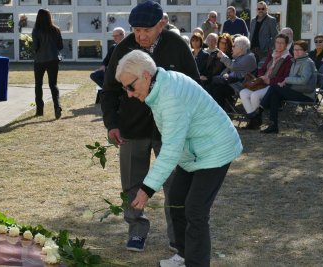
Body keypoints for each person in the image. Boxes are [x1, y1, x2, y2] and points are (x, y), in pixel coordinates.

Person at [114, 49, 242, 267]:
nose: (129, 93)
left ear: (145, 75)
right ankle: (184, 255)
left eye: (130, 86)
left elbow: (171, 148)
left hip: (215, 150)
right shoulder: (159, 86)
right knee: (176, 201)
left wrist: (146, 190)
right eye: (124, 88)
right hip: (193, 152)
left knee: (195, 210)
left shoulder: (170, 95)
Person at [101, 0, 200, 253]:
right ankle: (136, 230)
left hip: (170, 128)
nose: (141, 36)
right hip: (132, 128)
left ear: (162, 24)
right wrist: (112, 123)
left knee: (174, 185)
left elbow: (194, 86)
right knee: (132, 183)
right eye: (136, 30)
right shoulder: (124, 48)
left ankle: (177, 237)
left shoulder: (177, 45)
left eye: (147, 30)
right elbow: (110, 90)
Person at [252, 40, 317, 134]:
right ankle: (273, 125)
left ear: (305, 51)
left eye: (299, 50)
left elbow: (303, 80)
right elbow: (292, 78)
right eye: (295, 49)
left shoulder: (307, 62)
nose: (296, 52)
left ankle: (260, 109)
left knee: (274, 87)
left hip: (305, 94)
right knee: (275, 95)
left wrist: (286, 80)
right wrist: (285, 82)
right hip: (295, 90)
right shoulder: (295, 61)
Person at [239, 33, 292, 129]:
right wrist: (261, 76)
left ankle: (255, 122)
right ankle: (254, 119)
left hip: (273, 86)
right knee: (243, 93)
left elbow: (285, 77)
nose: (279, 45)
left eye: (282, 43)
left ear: (286, 45)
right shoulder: (271, 54)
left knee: (254, 95)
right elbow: (262, 69)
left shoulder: (288, 59)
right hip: (262, 82)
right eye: (277, 42)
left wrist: (270, 80)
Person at [206, 35, 257, 109]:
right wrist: (224, 75)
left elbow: (234, 66)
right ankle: (211, 109)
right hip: (232, 83)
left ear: (240, 48)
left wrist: (223, 56)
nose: (232, 48)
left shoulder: (249, 57)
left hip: (241, 86)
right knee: (212, 84)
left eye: (234, 46)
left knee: (217, 88)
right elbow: (227, 70)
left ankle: (218, 111)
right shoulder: (239, 56)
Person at [32, 8, 63, 119]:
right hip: (53, 60)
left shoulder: (36, 30)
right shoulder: (56, 30)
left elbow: (35, 47)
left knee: (38, 85)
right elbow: (60, 46)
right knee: (53, 85)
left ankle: (40, 110)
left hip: (40, 60)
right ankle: (57, 106)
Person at [90, 27, 125, 103]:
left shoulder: (127, 47)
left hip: (121, 72)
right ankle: (109, 91)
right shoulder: (113, 47)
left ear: (122, 35)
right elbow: (106, 60)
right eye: (113, 36)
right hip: (110, 71)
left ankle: (110, 91)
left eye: (116, 36)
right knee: (94, 75)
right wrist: (103, 66)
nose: (114, 38)